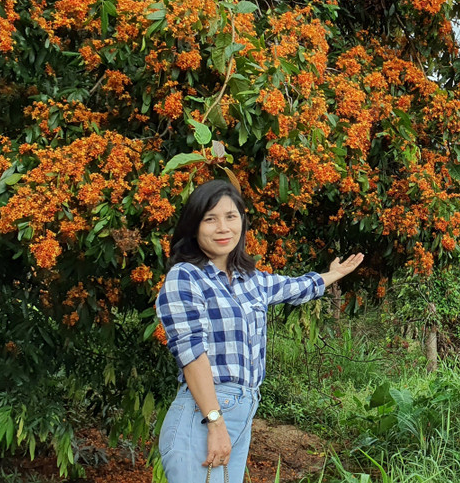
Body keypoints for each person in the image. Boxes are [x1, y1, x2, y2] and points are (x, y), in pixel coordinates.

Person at [155, 179, 363, 482]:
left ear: (242, 220)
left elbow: (294, 287)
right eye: (210, 219)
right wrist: (214, 422)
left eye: (230, 216)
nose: (223, 227)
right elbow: (192, 354)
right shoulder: (185, 277)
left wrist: (333, 274)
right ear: (194, 227)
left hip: (241, 413)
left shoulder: (249, 280)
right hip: (205, 414)